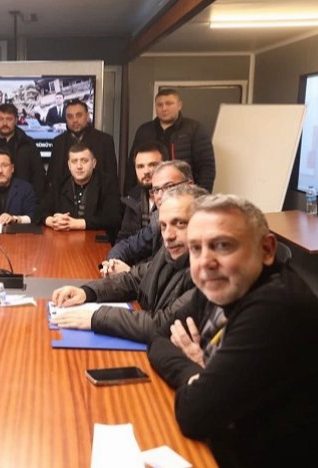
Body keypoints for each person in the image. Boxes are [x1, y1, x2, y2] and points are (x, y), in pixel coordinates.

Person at [148, 194, 318, 466]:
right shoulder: (218, 283)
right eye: (196, 249)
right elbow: (157, 337)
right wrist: (196, 373)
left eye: (223, 245)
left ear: (267, 250)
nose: (205, 262)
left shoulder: (277, 307)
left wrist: (202, 377)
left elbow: (194, 414)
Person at [51, 184, 207, 343]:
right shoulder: (170, 252)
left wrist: (97, 317)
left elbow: (163, 324)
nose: (168, 235)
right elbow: (133, 279)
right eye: (163, 226)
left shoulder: (208, 275)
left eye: (180, 223)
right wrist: (87, 292)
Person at [105, 160, 193, 270]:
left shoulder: (202, 223)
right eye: (156, 190)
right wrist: (112, 264)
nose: (160, 196)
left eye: (168, 187)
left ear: (189, 186)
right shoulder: (158, 219)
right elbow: (128, 246)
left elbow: (167, 272)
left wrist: (128, 272)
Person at [126, 88, 215, 193]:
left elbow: (207, 167)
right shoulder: (144, 131)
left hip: (183, 192)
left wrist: (201, 195)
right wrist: (129, 194)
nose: (164, 108)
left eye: (169, 104)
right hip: (148, 192)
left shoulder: (194, 129)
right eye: (160, 105)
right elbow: (132, 167)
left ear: (179, 105)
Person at [39, 144, 121, 238]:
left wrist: (78, 224)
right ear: (69, 165)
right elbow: (39, 211)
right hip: (63, 239)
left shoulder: (108, 184)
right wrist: (52, 221)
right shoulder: (59, 183)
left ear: (94, 163)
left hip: (96, 240)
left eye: (84, 161)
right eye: (74, 161)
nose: (79, 166)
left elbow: (114, 218)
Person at [46, 99, 117, 194]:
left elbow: (111, 178)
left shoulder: (104, 141)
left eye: (79, 115)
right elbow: (52, 176)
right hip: (64, 197)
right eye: (70, 116)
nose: (74, 120)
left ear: (87, 116)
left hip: (98, 196)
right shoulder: (58, 142)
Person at [118, 141, 166, 241]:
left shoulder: (177, 200)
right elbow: (124, 238)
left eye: (152, 165)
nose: (146, 171)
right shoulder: (133, 198)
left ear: (166, 166)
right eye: (140, 166)